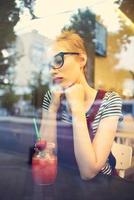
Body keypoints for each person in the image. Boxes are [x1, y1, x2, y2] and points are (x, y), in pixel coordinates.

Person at [39, 30, 123, 180]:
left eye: (58, 60)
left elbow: (89, 172)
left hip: (102, 187)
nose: (52, 70)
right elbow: (45, 156)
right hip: (64, 182)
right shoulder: (52, 98)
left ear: (81, 59)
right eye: (49, 65)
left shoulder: (109, 100)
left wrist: (77, 108)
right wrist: (52, 109)